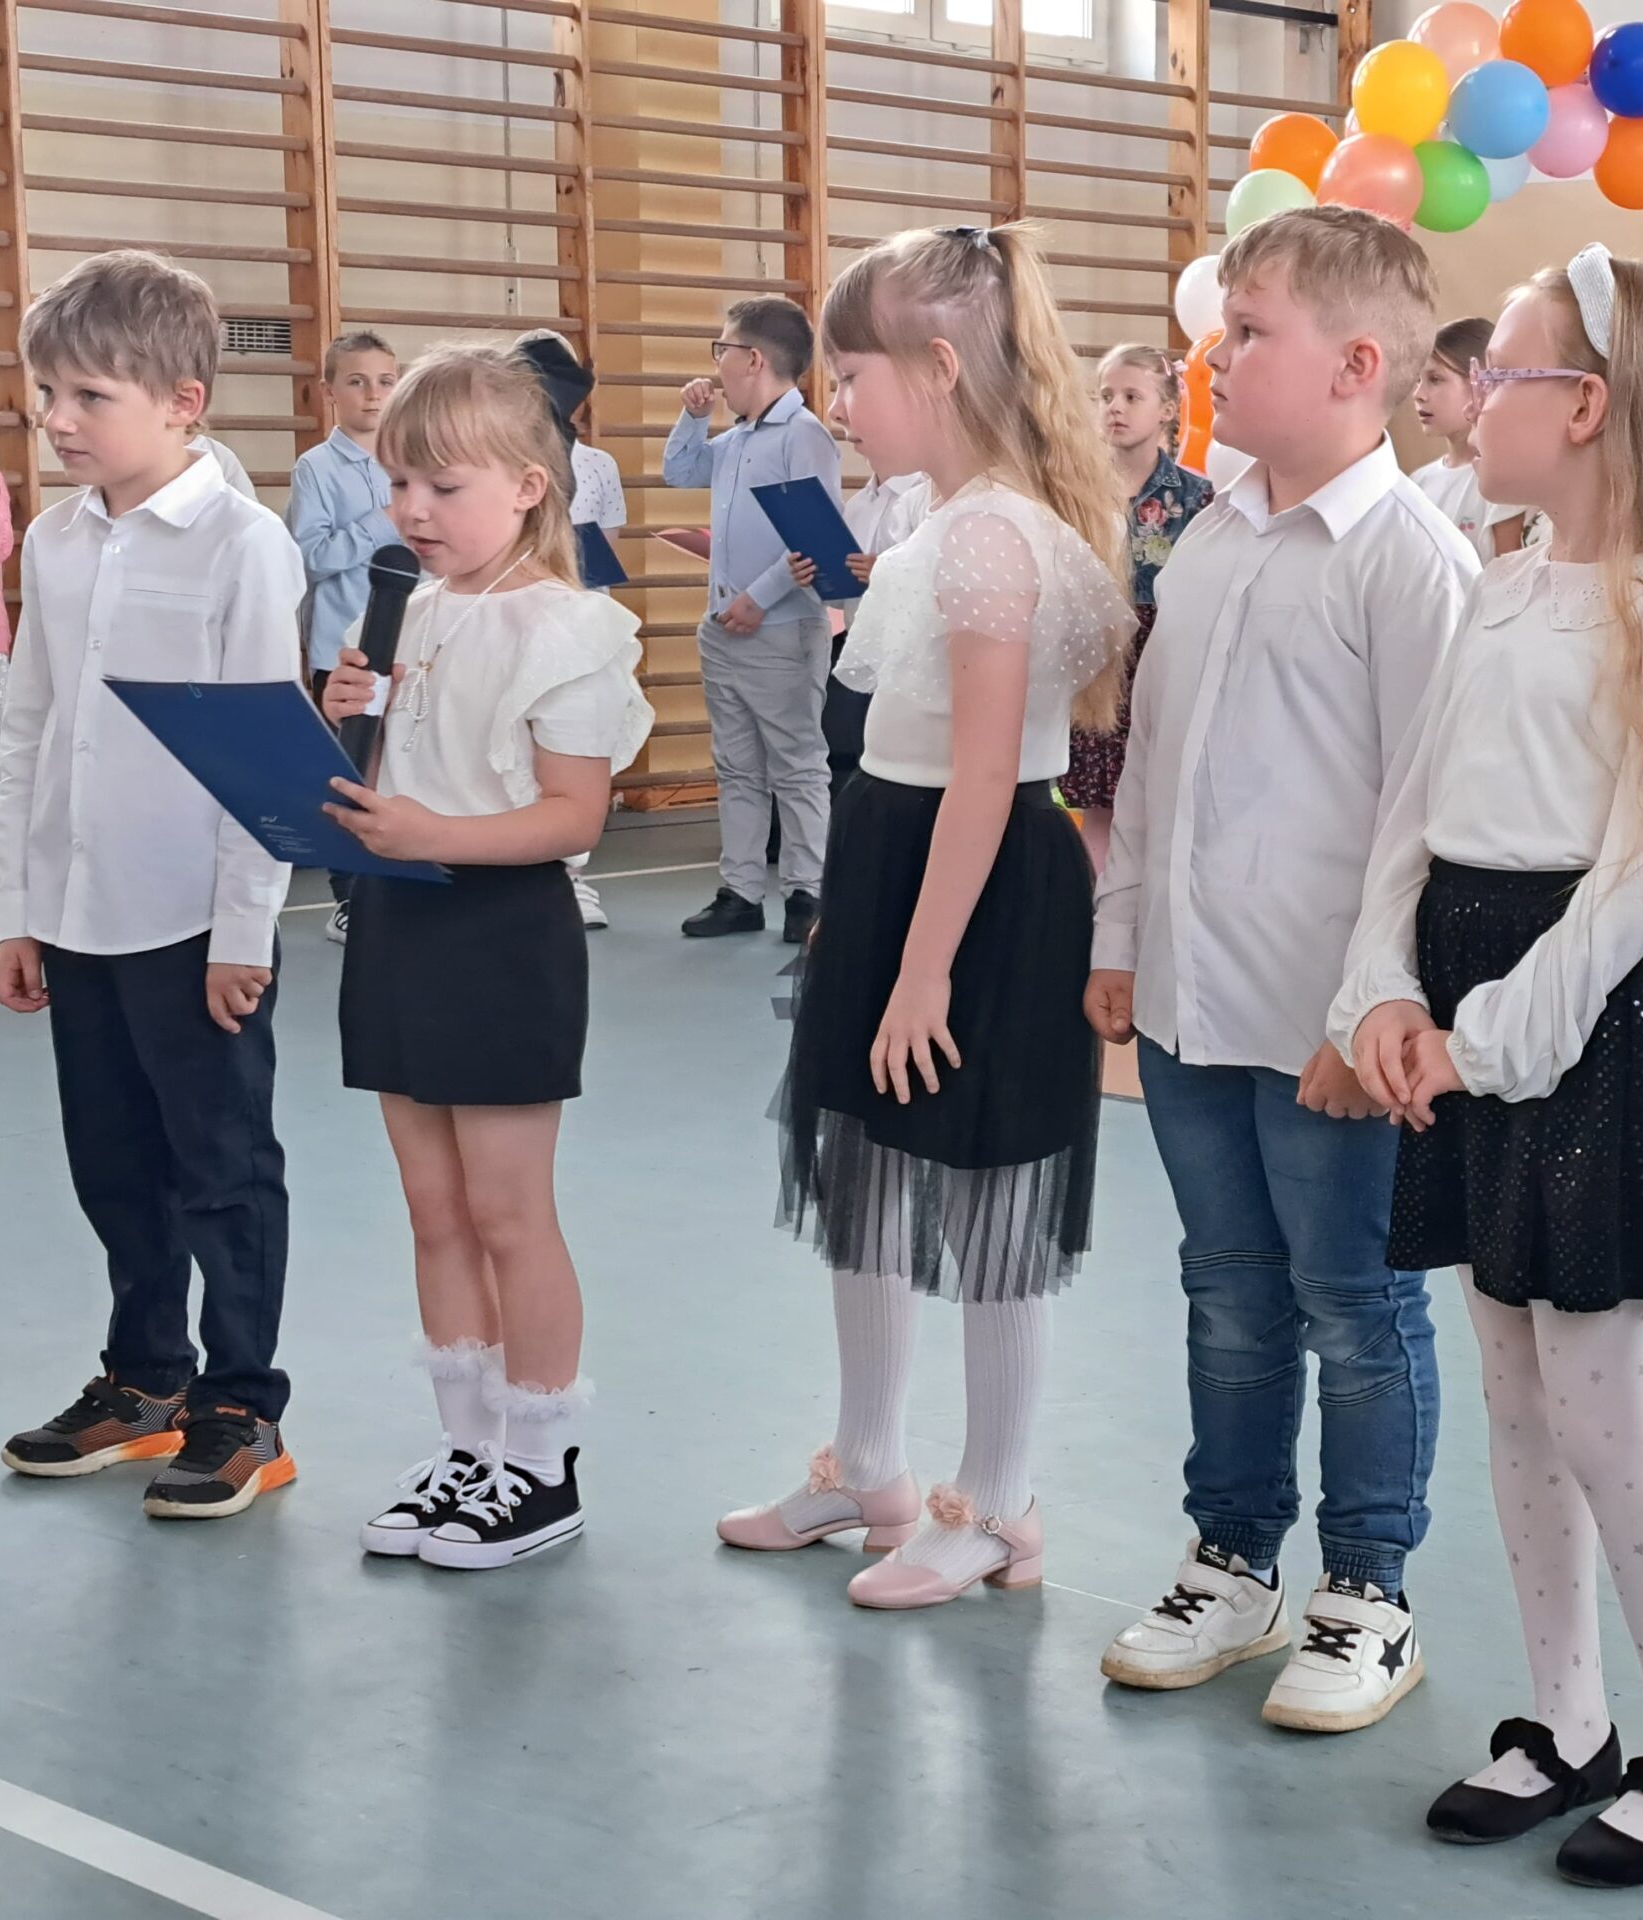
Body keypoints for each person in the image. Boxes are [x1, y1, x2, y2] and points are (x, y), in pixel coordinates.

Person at [1332, 246, 1643, 1884]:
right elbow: (1411, 813)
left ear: (1584, 406)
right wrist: (1381, 990)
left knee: (1601, 1408)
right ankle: (1567, 1719)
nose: (1463, 400)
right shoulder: (1499, 576)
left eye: (1498, 373)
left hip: (1583, 1019)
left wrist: (1486, 1042)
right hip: (1463, 991)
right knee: (1516, 1393)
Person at [1087, 207, 1476, 1732]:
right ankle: (1232, 1560)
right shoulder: (1209, 539)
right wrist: (1123, 935)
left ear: (1356, 366)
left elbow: (1427, 819)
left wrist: (1368, 1009)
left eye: (1249, 332)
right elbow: (1153, 760)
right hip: (1193, 1002)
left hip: (1329, 1023)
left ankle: (1368, 1591)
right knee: (1228, 1293)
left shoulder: (1411, 564)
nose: (1214, 355)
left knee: (1356, 1306)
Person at [719, 223, 1133, 1611]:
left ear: (941, 368)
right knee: (868, 1165)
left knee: (988, 1184)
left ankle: (998, 1504)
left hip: (979, 882)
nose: (839, 403)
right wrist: (866, 923)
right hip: (898, 859)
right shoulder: (939, 521)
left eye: (854, 375)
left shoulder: (993, 542)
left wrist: (922, 969)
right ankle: (870, 1468)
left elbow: (986, 775)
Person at [320, 344, 653, 1571]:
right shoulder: (406, 606)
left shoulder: (570, 628)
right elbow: (370, 781)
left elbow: (572, 816)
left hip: (502, 931)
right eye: (399, 482)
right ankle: (468, 1445)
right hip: (398, 918)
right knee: (434, 1208)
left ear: (526, 485)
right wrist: (343, 714)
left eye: (443, 486)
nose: (413, 510)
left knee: (509, 1211)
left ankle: (541, 1460)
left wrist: (430, 832)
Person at [0, 250, 308, 1519]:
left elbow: (264, 756)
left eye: (88, 397)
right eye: (46, 396)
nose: (57, 421)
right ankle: (144, 1378)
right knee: (114, 1161)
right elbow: (28, 729)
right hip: (79, 913)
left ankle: (243, 1405)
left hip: (189, 918)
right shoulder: (55, 539)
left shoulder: (245, 545)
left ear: (183, 402)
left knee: (221, 1168)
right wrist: (20, 909)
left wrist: (245, 930)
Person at [663, 296, 842, 944]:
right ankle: (740, 889)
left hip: (780, 630)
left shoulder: (803, 436)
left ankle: (807, 890)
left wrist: (760, 597)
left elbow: (815, 541)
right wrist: (693, 418)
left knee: (796, 764)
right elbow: (680, 470)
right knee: (737, 766)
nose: (718, 362)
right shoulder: (737, 437)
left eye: (723, 349)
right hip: (724, 629)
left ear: (754, 359)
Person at [1064, 342, 1214, 874]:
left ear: (1168, 409)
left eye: (1132, 397)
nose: (1115, 408)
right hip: (1098, 653)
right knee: (1098, 801)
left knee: (1156, 792)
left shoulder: (1197, 497)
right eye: (1106, 396)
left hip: (1162, 650)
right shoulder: (1076, 491)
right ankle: (1094, 904)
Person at [287, 329, 402, 947]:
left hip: (411, 643)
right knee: (349, 776)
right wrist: (380, 524)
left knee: (401, 769)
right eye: (356, 382)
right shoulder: (317, 468)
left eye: (385, 381)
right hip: (345, 649)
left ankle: (396, 891)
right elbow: (309, 557)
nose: (373, 394)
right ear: (330, 391)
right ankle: (347, 899)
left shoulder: (413, 458)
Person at [513, 327, 629, 934]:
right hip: (522, 618)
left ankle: (575, 875)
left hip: (580, 620)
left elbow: (607, 548)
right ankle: (526, 869)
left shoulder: (598, 465)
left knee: (578, 746)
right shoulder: (505, 457)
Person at [790, 446, 930, 800]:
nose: (850, 429)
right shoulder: (856, 507)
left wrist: (886, 572)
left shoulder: (926, 498)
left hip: (910, 664)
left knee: (903, 775)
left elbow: (939, 585)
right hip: (861, 654)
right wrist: (816, 578)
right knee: (853, 765)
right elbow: (844, 599)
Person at [1409, 316, 1524, 561]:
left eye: (1435, 379)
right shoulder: (1417, 483)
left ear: (1482, 384)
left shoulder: (1504, 482)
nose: (1418, 394)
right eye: (1417, 380)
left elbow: (1509, 572)